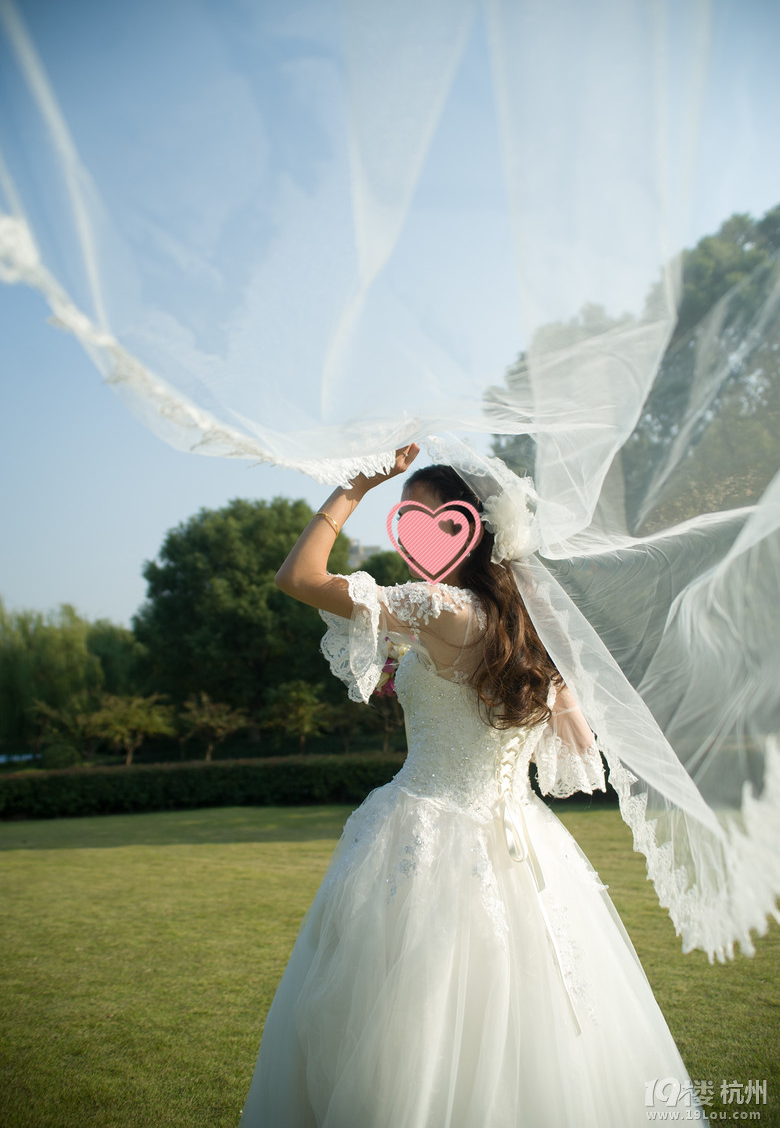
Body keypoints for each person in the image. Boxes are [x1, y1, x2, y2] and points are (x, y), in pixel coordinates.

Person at [238, 445, 707, 1128]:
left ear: (469, 528)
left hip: (425, 839)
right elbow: (574, 746)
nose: (411, 533)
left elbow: (299, 577)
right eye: (407, 516)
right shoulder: (533, 627)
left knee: (410, 1026)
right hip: (528, 845)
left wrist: (355, 484)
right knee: (528, 1030)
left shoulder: (438, 610)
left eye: (428, 517)